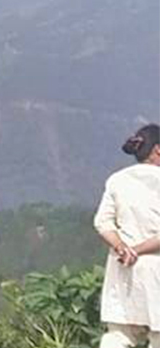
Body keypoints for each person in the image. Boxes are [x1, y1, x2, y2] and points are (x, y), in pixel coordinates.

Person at [94, 123, 160, 348]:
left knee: (119, 335)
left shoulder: (118, 180)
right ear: (158, 150)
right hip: (155, 267)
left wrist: (122, 248)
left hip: (122, 268)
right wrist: (138, 250)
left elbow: (102, 222)